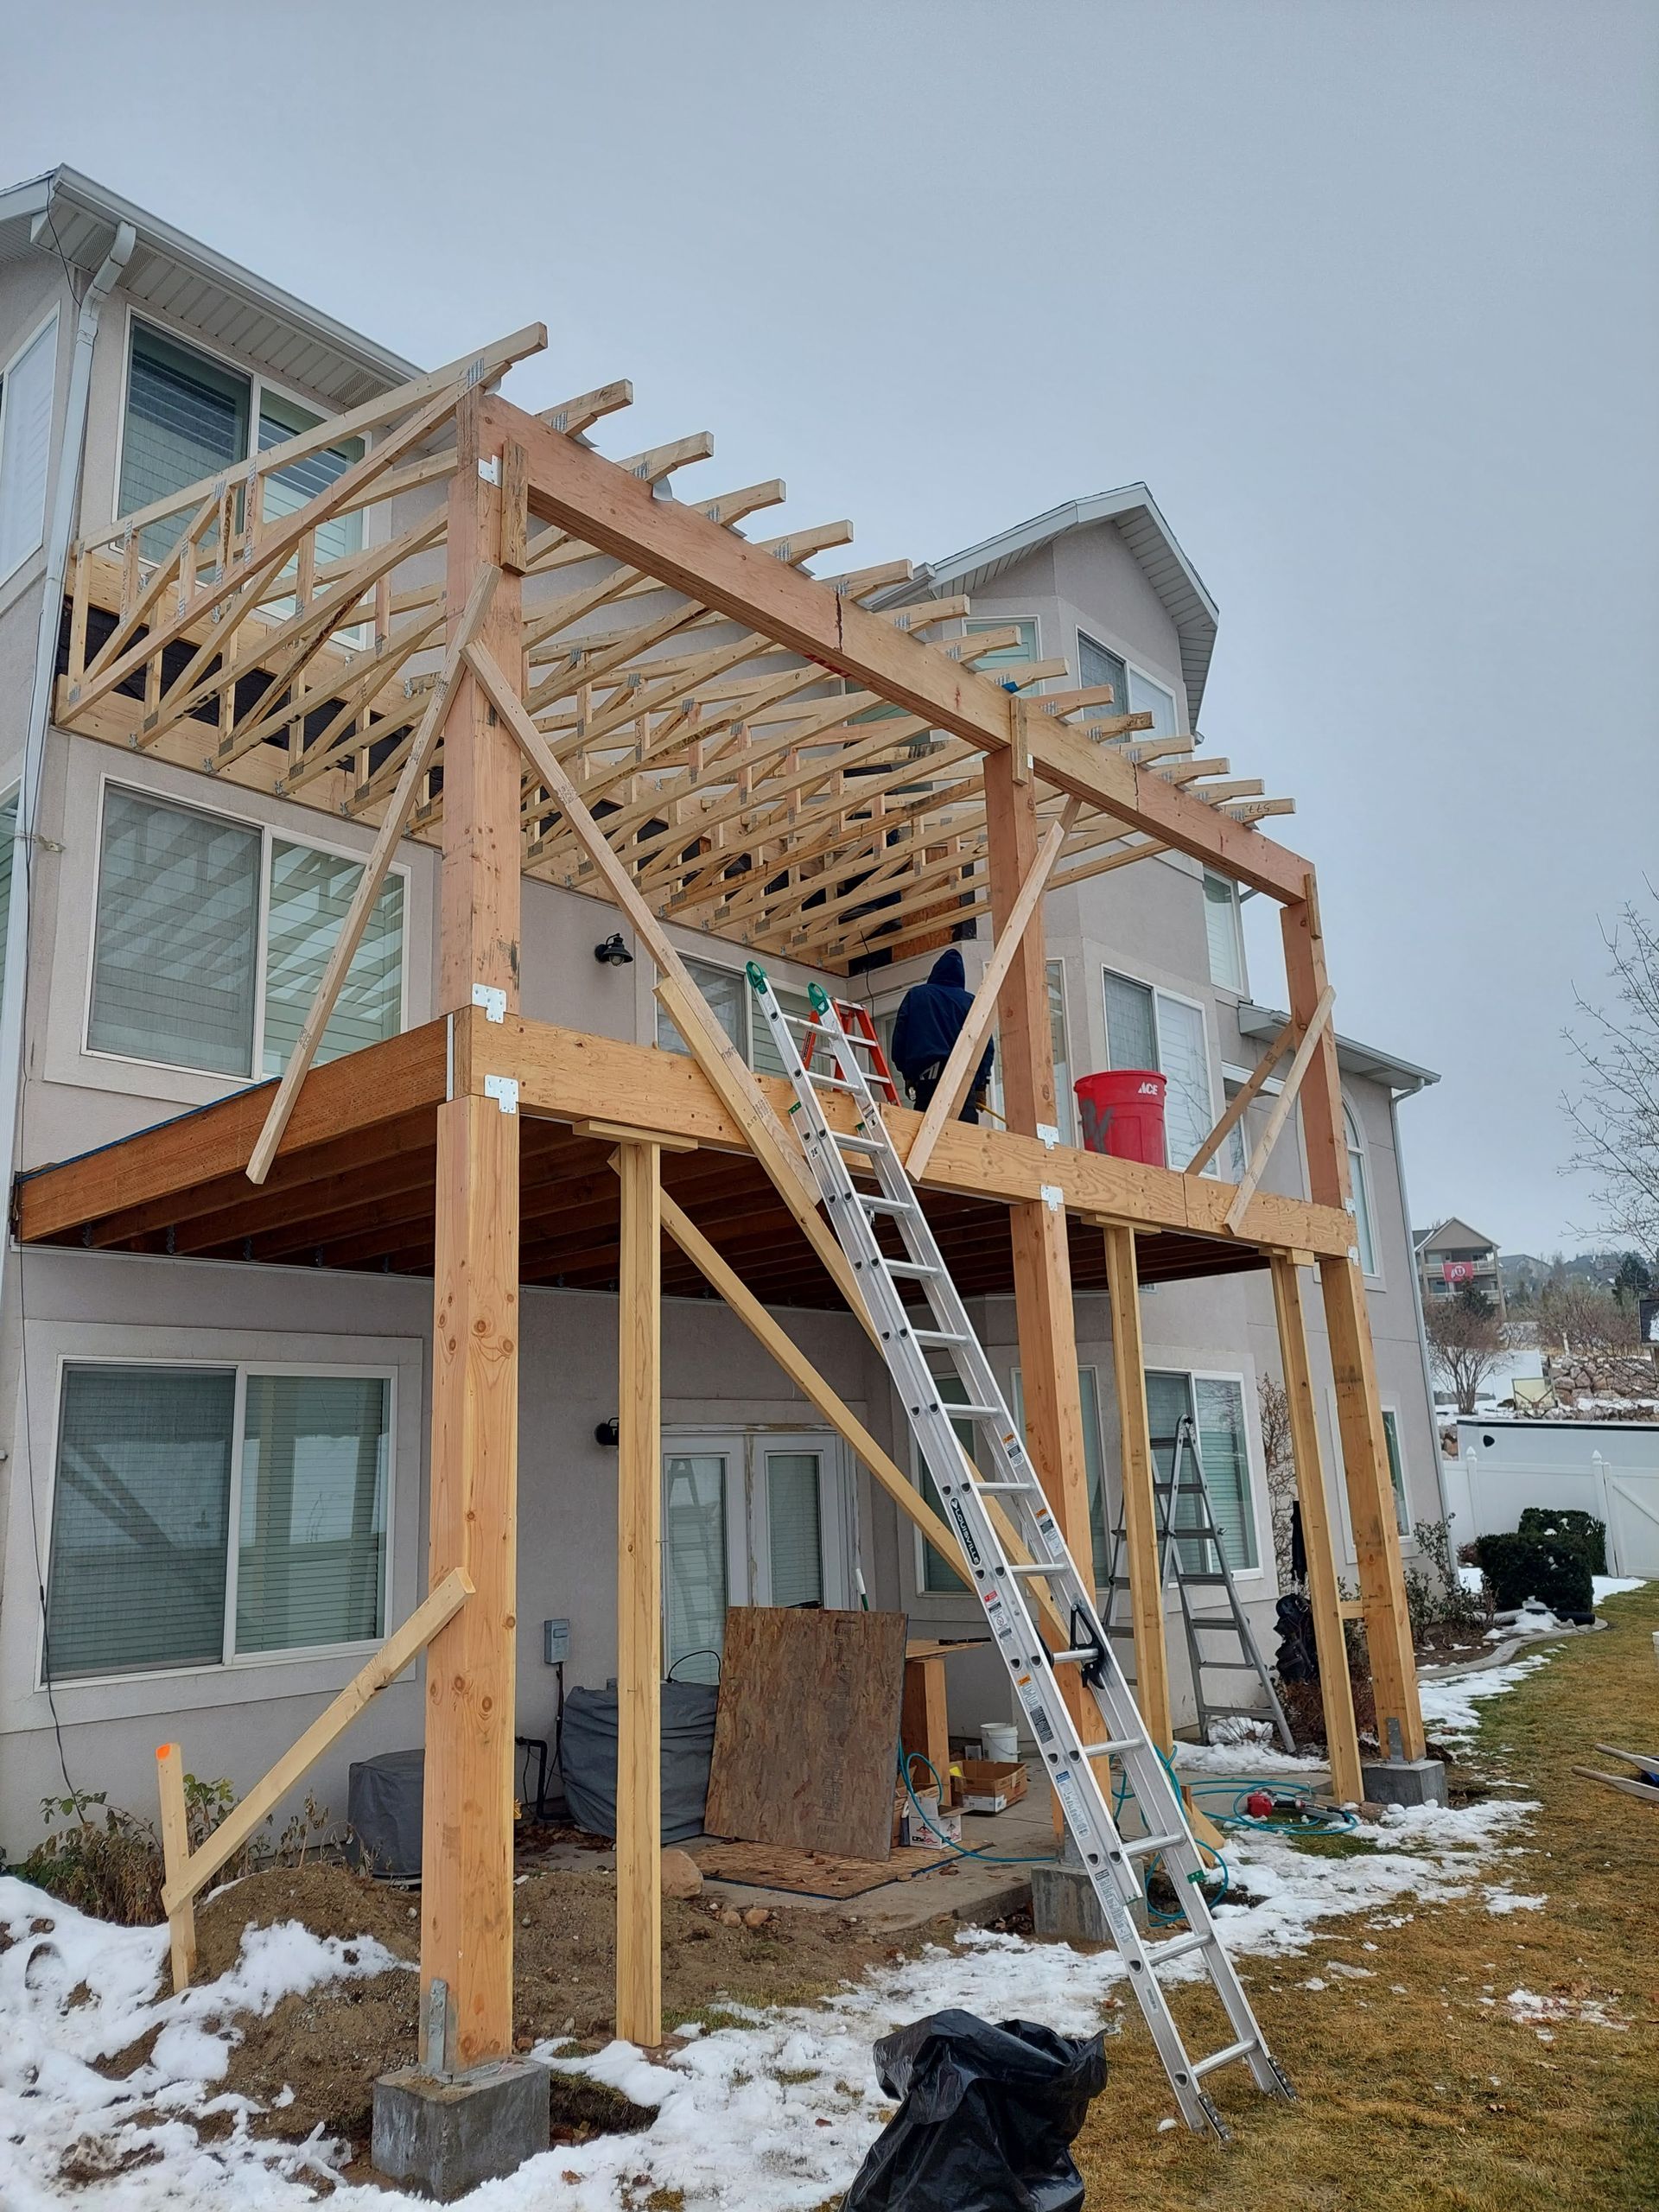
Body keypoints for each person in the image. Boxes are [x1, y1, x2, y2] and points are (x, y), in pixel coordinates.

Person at [889, 947, 994, 1122]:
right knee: (962, 1135)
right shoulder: (971, 1003)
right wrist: (981, 1085)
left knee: (927, 1131)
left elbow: (899, 1042)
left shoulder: (917, 996)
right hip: (963, 1084)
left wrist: (909, 1075)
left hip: (928, 1082)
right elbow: (985, 1048)